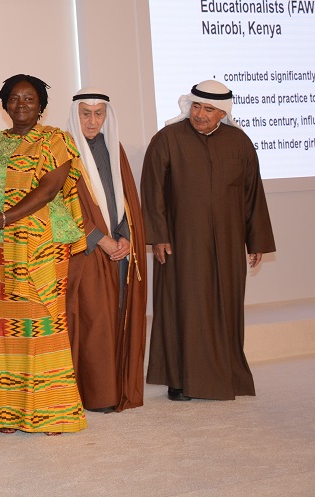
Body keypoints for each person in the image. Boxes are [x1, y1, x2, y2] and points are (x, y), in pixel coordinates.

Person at [0, 74, 87, 435]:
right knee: (8, 325)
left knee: (44, 324)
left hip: (44, 240)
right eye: (13, 99)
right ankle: (10, 412)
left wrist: (4, 216)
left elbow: (49, 190)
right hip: (0, 245)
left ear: (42, 106)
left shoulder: (56, 140)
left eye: (29, 99)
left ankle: (52, 411)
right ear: (4, 104)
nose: (21, 105)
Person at [141, 79, 276, 401]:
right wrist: (158, 237)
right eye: (196, 106)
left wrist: (255, 239)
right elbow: (152, 190)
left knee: (225, 305)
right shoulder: (167, 139)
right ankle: (180, 378)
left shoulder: (239, 142)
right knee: (183, 307)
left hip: (228, 243)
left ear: (222, 113)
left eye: (209, 109)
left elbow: (252, 194)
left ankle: (226, 373)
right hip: (182, 242)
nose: (200, 114)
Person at [64, 88, 148, 413]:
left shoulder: (116, 148)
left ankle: (116, 388)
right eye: (86, 113)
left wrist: (126, 236)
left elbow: (126, 198)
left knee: (118, 316)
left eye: (99, 113)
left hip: (119, 250)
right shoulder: (65, 150)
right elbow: (65, 207)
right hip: (87, 252)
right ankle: (97, 394)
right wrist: (101, 238)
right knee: (94, 322)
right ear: (76, 114)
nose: (93, 120)